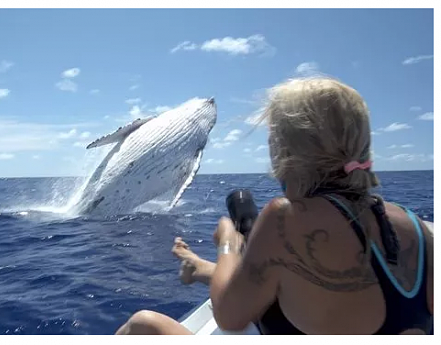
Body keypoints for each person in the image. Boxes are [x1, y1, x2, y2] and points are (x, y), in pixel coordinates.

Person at [115, 77, 434, 335]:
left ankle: (201, 268)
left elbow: (229, 317)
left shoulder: (285, 218)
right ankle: (198, 269)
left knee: (144, 324)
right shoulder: (417, 229)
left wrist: (229, 244)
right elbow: (323, 291)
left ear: (286, 151)